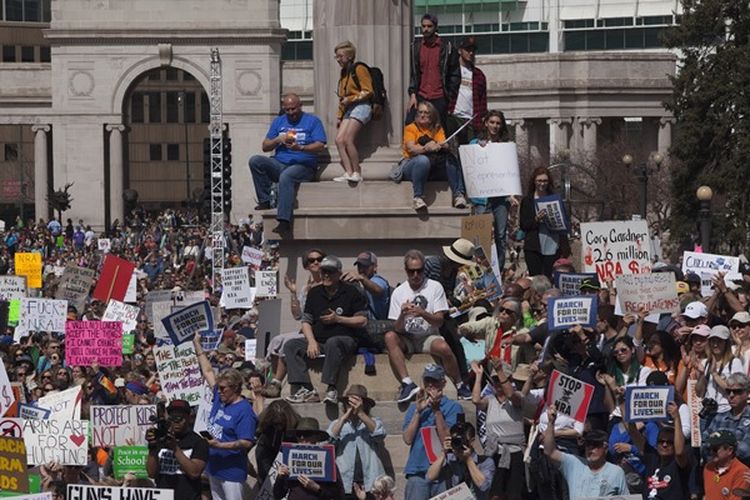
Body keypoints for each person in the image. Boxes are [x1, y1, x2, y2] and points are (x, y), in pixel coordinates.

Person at [384, 249, 470, 403]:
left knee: (444, 348)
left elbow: (439, 321)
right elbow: (396, 328)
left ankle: (459, 383)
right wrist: (403, 315)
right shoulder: (398, 292)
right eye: (412, 271)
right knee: (389, 337)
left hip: (428, 336)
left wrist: (423, 313)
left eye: (419, 270)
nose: (416, 275)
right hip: (408, 337)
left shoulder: (435, 287)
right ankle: (407, 383)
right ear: (406, 271)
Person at [283, 255, 368, 404]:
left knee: (333, 342)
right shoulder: (314, 293)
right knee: (291, 345)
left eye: (330, 272)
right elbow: (306, 321)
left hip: (345, 339)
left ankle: (331, 388)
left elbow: (362, 320)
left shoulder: (351, 292)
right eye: (323, 272)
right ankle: (306, 389)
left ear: (339, 273)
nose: (326, 275)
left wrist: (339, 319)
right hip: (319, 340)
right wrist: (311, 341)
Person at [249, 93, 327, 234]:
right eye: (287, 110)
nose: (291, 113)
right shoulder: (278, 122)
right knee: (255, 161)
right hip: (280, 162)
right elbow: (265, 146)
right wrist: (278, 140)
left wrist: (301, 148)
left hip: (304, 165)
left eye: (293, 109)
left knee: (286, 176)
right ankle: (264, 200)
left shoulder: (313, 121)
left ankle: (284, 220)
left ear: (300, 106)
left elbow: (320, 145)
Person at [193, 335, 257, 499]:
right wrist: (197, 345)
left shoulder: (244, 410)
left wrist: (220, 446)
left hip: (232, 472)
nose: (218, 391)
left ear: (235, 388)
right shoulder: (220, 399)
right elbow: (207, 370)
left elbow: (246, 442)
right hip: (214, 467)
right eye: (218, 388)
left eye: (223, 389)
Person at [402, 364, 464, 500]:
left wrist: (437, 411)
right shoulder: (414, 408)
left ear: (443, 383)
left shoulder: (454, 407)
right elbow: (407, 439)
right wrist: (418, 413)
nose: (430, 385)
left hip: (444, 472)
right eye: (427, 381)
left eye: (434, 381)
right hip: (417, 473)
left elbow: (448, 439)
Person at [469, 110, 518, 273]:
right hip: (482, 198)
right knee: (480, 236)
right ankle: (481, 271)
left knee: (501, 236)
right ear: (486, 123)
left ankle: (498, 271)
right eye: (492, 122)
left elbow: (508, 172)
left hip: (500, 199)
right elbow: (469, 161)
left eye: (498, 123)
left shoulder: (505, 147)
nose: (495, 126)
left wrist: (511, 194)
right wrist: (479, 148)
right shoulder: (475, 143)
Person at [543, 406, 630, 497]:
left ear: (605, 447)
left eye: (595, 445)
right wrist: (551, 423)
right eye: (588, 444)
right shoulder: (574, 463)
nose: (590, 449)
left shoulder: (616, 472)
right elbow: (550, 452)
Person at [396, 101, 467, 211]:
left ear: (432, 115)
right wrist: (426, 148)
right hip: (411, 165)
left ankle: (458, 195)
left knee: (451, 158)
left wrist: (443, 146)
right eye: (420, 112)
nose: (423, 115)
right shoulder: (411, 128)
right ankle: (418, 197)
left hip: (433, 166)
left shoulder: (437, 129)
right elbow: (411, 148)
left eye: (426, 113)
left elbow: (443, 143)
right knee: (423, 160)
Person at [469, 362, 525, 500]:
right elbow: (476, 400)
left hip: (515, 453)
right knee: (495, 494)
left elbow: (511, 394)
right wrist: (478, 376)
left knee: (514, 494)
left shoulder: (517, 398)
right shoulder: (490, 400)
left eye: (500, 379)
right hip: (495, 453)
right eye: (495, 380)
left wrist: (500, 371)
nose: (498, 383)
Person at [327, 384, 386, 497]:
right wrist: (344, 417)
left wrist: (360, 412)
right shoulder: (337, 424)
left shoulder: (373, 421)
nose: (353, 405)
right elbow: (328, 442)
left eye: (356, 402)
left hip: (371, 483)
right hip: (345, 483)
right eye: (350, 402)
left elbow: (380, 435)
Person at [146, 399, 208, 499]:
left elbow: (194, 473)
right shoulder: (162, 439)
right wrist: (152, 447)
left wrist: (175, 448)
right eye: (173, 416)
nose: (176, 421)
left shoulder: (198, 442)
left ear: (189, 418)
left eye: (180, 417)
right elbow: (151, 473)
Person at [406, 13, 460, 126]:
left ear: (435, 27)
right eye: (423, 26)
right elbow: (414, 73)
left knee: (438, 131)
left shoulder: (447, 47)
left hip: (439, 97)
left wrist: (449, 98)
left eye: (429, 26)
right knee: (411, 126)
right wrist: (412, 94)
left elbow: (454, 74)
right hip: (421, 96)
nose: (426, 29)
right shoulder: (415, 47)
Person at [274, 417, 346, 500]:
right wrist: (280, 477)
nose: (301, 438)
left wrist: (317, 488)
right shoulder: (290, 460)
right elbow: (278, 495)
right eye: (299, 435)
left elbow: (339, 495)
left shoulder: (327, 461)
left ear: (316, 438)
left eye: (306, 434)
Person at [332, 40, 373, 184]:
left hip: (362, 106)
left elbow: (368, 91)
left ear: (349, 56)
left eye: (340, 56)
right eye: (336, 57)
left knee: (348, 139)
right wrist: (339, 115)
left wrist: (351, 99)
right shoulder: (344, 73)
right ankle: (348, 172)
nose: (338, 59)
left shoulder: (359, 68)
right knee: (339, 140)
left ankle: (357, 172)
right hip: (349, 108)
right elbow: (342, 96)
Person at [519, 166, 568, 279]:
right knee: (535, 279)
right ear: (534, 181)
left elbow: (564, 221)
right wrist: (536, 219)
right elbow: (524, 224)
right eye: (539, 180)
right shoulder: (527, 201)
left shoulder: (555, 199)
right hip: (534, 246)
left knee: (549, 278)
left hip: (552, 245)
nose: (542, 183)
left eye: (545, 181)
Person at [425, 422, 494, 499]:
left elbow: (484, 486)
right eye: (456, 440)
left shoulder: (486, 462)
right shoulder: (450, 460)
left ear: (472, 441)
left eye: (462, 440)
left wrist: (468, 459)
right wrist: (443, 453)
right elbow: (429, 477)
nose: (459, 443)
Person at [445, 36, 487, 145]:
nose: (471, 53)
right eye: (467, 50)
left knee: (469, 153)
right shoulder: (450, 71)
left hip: (471, 120)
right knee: (452, 150)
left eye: (473, 50)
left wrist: (481, 119)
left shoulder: (479, 75)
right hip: (453, 117)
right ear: (460, 50)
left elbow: (483, 102)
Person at [704, 373, 750, 466]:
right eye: (728, 391)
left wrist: (717, 445)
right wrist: (729, 446)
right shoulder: (718, 418)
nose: (731, 395)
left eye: (737, 391)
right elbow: (705, 444)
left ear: (747, 393)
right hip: (718, 472)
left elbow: (745, 451)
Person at [254, 400, 301, 485]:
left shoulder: (297, 423)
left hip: (288, 453)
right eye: (275, 424)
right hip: (266, 451)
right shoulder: (264, 423)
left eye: (281, 424)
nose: (278, 427)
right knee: (266, 479)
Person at [342, 251, 390, 321]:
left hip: (377, 325)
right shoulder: (359, 282)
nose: (361, 269)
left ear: (375, 267)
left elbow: (378, 290)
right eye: (359, 266)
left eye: (365, 266)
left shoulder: (377, 280)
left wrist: (362, 278)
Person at [703, 430, 750, 500]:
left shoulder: (742, 472)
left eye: (715, 449)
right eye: (710, 448)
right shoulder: (708, 468)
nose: (711, 452)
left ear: (730, 450)